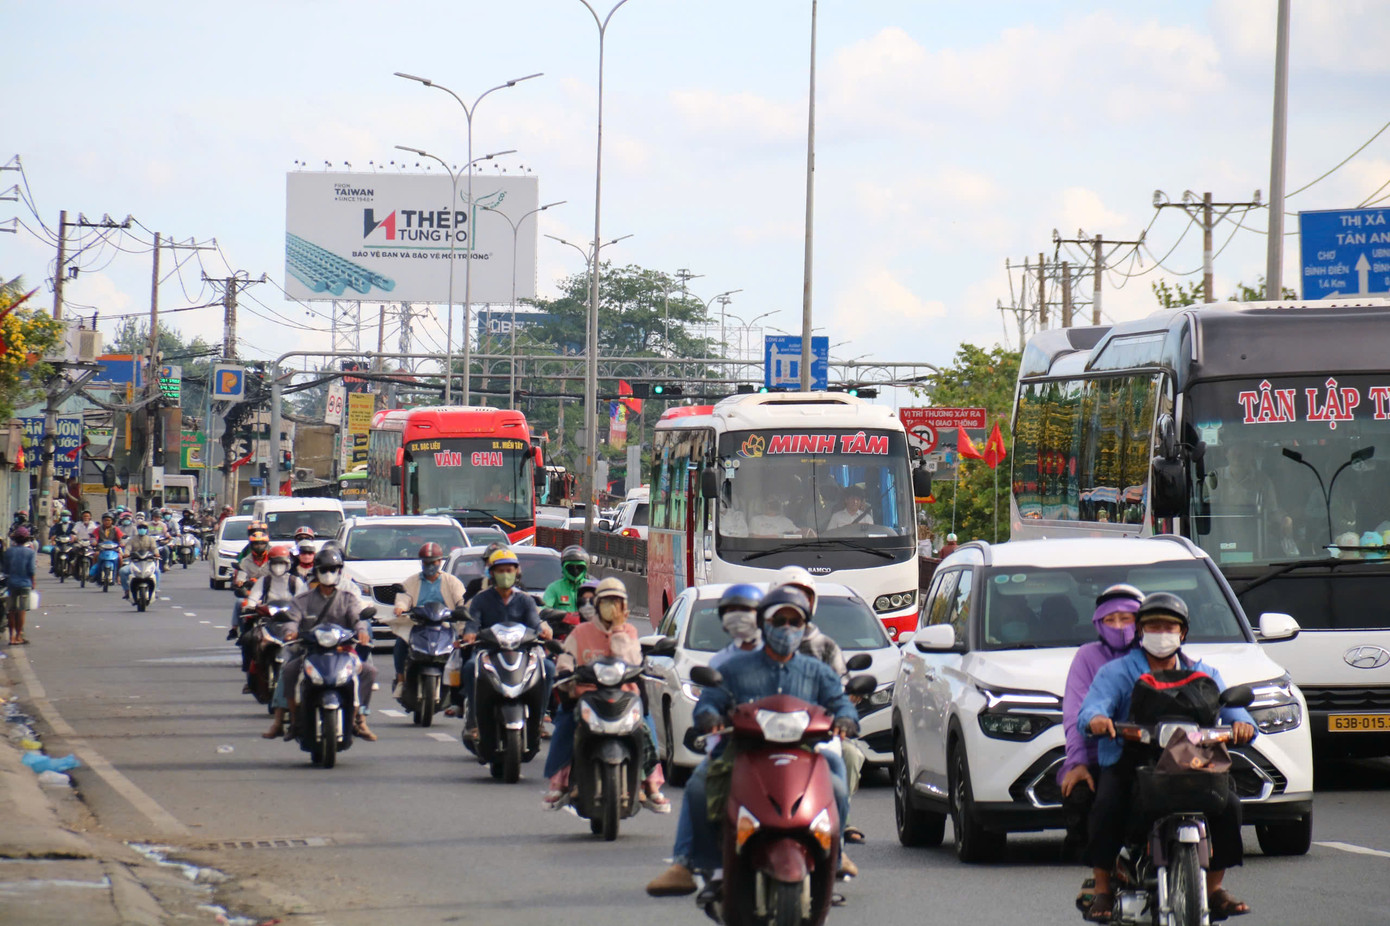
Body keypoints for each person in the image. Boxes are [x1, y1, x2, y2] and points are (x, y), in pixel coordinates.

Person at [646, 586, 858, 897]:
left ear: (804, 627)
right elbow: (710, 701)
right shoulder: (733, 667)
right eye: (779, 620)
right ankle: (705, 865)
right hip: (744, 750)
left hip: (803, 752)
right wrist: (708, 717)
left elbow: (840, 701)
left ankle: (833, 858)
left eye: (794, 622)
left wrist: (845, 719)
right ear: (764, 624)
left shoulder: (815, 670)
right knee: (699, 785)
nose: (787, 628)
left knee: (837, 783)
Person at [1076, 592, 1256, 922]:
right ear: (1141, 632)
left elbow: (1237, 713)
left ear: (1182, 633)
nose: (1162, 633)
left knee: (1228, 804)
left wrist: (1242, 725)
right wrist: (1098, 720)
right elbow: (1090, 710)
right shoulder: (1118, 672)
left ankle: (1215, 889)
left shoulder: (1203, 673)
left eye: (1169, 626)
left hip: (1194, 762)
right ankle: (1102, 887)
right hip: (1131, 761)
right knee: (1106, 805)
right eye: (1153, 626)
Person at [541, 577, 669, 811]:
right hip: (586, 695)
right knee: (566, 724)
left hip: (624, 695)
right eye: (607, 601)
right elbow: (567, 658)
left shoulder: (629, 631)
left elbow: (632, 660)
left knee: (644, 728)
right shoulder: (581, 632)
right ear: (597, 604)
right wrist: (566, 672)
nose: (612, 606)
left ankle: (650, 785)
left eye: (617, 602)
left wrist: (618, 631)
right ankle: (559, 783)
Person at [1058, 584, 1144, 861]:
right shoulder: (1088, 657)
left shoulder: (1158, 655)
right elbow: (1076, 713)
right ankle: (1100, 879)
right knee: (1091, 799)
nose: (1118, 626)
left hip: (1155, 750)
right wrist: (1078, 761)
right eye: (1110, 619)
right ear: (1098, 623)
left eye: (1126, 618)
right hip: (1103, 754)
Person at [264, 546, 378, 741]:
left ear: (339, 571)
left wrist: (361, 630)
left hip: (343, 651)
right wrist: (290, 631)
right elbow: (292, 619)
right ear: (316, 571)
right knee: (289, 670)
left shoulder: (347, 598)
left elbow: (357, 618)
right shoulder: (303, 599)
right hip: (310, 651)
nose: (328, 574)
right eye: (324, 569)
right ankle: (289, 720)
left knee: (368, 671)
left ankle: (360, 720)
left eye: (332, 569)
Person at [459, 548, 554, 739]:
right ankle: (473, 719)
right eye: (500, 571)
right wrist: (470, 634)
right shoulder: (481, 599)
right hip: (489, 652)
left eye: (509, 570)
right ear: (492, 573)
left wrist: (543, 631)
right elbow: (473, 622)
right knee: (470, 668)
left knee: (549, 668)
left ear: (517, 572)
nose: (505, 575)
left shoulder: (525, 600)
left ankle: (540, 718)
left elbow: (534, 622)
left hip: (521, 653)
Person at [391, 542, 467, 698]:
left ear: (440, 562)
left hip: (445, 625)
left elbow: (461, 599)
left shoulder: (451, 582)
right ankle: (401, 680)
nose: (430, 566)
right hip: (418, 624)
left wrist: (461, 609)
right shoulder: (412, 581)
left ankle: (458, 688)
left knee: (460, 651)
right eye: (426, 562)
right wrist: (401, 607)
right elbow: (404, 598)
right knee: (400, 644)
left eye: (433, 562)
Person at [229, 524, 272, 641]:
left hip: (272, 592)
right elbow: (241, 577)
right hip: (251, 593)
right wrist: (240, 583)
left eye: (262, 543)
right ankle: (236, 629)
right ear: (251, 545)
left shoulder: (273, 559)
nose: (259, 546)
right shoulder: (245, 560)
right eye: (256, 544)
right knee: (239, 603)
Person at [540, 545, 589, 637]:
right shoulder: (554, 587)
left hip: (588, 636)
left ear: (585, 568)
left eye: (579, 567)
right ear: (563, 567)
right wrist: (562, 615)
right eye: (571, 567)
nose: (575, 571)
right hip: (562, 635)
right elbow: (544, 609)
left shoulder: (592, 587)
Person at [4, 527, 36, 645]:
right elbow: (31, 570)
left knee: (11, 610)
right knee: (22, 610)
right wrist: (33, 582)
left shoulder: (9, 552)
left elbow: (5, 569)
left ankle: (11, 637)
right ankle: (19, 636)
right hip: (25, 584)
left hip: (11, 584)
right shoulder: (30, 552)